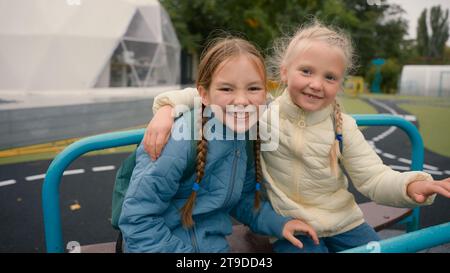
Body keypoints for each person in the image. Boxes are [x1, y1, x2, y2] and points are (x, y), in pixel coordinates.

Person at [143, 21, 450, 253]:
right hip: (292, 227)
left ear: (340, 83)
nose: (317, 84)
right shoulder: (262, 114)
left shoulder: (344, 126)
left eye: (329, 77)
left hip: (345, 222)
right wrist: (166, 109)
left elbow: (372, 177)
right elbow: (205, 94)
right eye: (306, 71)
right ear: (285, 72)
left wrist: (411, 184)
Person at [118, 37, 319, 253]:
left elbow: (243, 197)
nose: (242, 101)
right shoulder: (179, 139)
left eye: (253, 88)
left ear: (264, 93)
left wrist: (279, 223)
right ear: (204, 94)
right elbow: (137, 220)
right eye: (226, 89)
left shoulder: (248, 134)